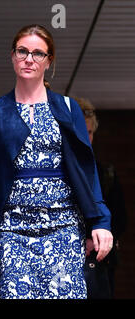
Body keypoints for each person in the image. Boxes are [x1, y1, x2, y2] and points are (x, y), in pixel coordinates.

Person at [0, 24, 113, 299]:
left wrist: (100, 222)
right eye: (22, 51)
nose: (29, 59)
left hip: (65, 228)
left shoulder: (69, 109)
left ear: (49, 61)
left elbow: (87, 171)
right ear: (12, 56)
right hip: (14, 230)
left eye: (38, 53)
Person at [76, 97, 127, 298]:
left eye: (90, 132)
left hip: (99, 259)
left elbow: (120, 219)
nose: (87, 137)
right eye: (82, 130)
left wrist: (96, 239)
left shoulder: (105, 172)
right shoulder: (56, 170)